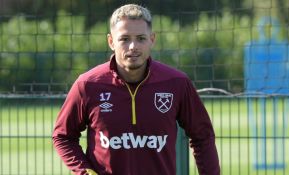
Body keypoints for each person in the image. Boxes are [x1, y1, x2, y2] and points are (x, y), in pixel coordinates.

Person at [52, 4, 220, 175]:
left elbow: (203, 136)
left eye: (141, 38)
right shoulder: (88, 85)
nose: (133, 46)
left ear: (152, 39)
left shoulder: (177, 83)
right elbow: (63, 136)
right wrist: (84, 172)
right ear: (111, 42)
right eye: (124, 39)